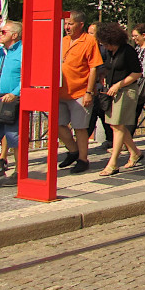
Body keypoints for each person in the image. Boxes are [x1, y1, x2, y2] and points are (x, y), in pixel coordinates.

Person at [93, 23, 143, 176]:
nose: (105, 47)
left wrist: (119, 85)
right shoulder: (110, 52)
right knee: (116, 125)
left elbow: (137, 73)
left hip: (126, 90)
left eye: (106, 43)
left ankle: (113, 162)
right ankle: (135, 152)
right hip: (112, 91)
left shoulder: (128, 51)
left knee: (117, 125)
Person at [59, 11, 103, 173]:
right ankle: (73, 151)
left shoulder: (89, 41)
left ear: (80, 24)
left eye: (70, 24)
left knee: (80, 127)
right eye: (65, 24)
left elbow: (93, 68)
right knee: (57, 124)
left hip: (80, 92)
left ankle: (83, 159)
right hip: (60, 91)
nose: (67, 27)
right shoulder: (63, 40)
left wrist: (89, 92)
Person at [0, 21, 23, 185]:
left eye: (3, 32)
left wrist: (15, 93)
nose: (0, 34)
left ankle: (19, 171)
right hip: (0, 97)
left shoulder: (22, 51)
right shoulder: (2, 52)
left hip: (13, 100)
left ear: (14, 35)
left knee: (13, 136)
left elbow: (27, 76)